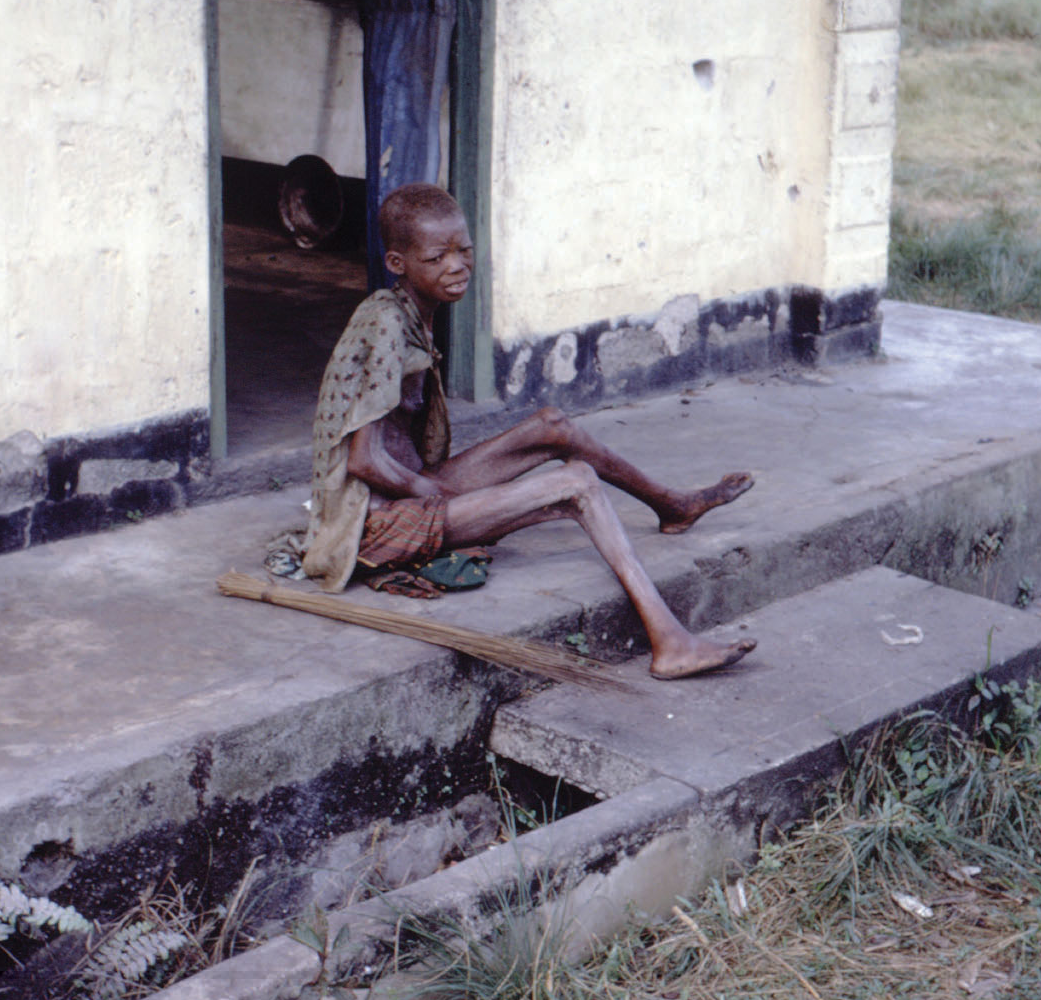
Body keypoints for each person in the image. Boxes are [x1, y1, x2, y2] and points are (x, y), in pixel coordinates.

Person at [302, 183, 757, 680]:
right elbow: (364, 461)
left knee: (552, 426)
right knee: (576, 481)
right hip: (377, 524)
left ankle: (671, 504)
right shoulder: (386, 323)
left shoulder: (413, 312)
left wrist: (434, 488)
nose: (457, 266)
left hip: (411, 494)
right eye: (437, 257)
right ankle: (669, 641)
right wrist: (431, 491)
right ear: (397, 262)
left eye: (464, 251)